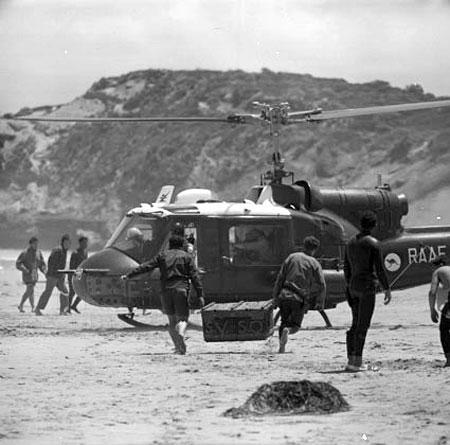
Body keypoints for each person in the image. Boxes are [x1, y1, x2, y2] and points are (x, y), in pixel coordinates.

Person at [121, 235, 205, 354]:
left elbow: (146, 266)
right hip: (181, 289)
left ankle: (178, 347)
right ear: (181, 245)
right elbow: (195, 277)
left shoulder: (162, 255)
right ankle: (181, 333)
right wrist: (200, 294)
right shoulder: (187, 257)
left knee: (171, 321)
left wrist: (129, 275)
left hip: (165, 290)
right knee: (182, 319)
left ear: (170, 245)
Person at [344, 211, 392, 372]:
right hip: (367, 287)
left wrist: (349, 286)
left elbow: (346, 268)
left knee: (354, 324)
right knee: (363, 325)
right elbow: (379, 269)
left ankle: (351, 359)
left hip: (353, 287)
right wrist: (387, 288)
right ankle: (356, 363)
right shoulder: (373, 243)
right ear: (374, 225)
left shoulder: (350, 243)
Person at [272, 236, 326, 353]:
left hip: (284, 294)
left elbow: (280, 278)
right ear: (315, 249)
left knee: (283, 322)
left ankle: (282, 347)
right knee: (295, 326)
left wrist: (275, 297)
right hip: (299, 298)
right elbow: (321, 284)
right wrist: (320, 302)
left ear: (303, 245)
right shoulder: (314, 263)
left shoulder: (292, 257)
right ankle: (289, 331)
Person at [35, 234, 71, 316]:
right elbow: (50, 262)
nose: (68, 244)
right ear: (63, 242)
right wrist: (50, 274)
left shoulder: (64, 250)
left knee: (65, 292)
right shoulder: (57, 250)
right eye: (66, 242)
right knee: (48, 292)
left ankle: (63, 311)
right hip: (53, 276)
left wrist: (62, 274)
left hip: (60, 276)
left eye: (69, 243)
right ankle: (38, 309)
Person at [428, 254, 450, 368]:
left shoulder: (438, 271)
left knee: (444, 328)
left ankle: (449, 359)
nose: (432, 269)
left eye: (432, 266)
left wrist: (432, 310)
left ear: (439, 264)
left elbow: (432, 292)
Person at [15, 236, 47, 313]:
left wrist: (45, 271)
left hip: (35, 275)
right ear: (30, 244)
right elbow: (18, 263)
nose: (36, 245)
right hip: (27, 275)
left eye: (37, 244)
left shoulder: (39, 252)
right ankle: (33, 307)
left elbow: (42, 264)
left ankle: (20, 305)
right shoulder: (24, 253)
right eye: (34, 244)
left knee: (28, 291)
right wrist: (25, 269)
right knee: (31, 290)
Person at [67, 236, 88, 314]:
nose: (85, 244)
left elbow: (86, 263)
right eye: (84, 243)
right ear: (80, 243)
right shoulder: (75, 253)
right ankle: (68, 308)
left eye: (86, 243)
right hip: (74, 274)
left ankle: (74, 305)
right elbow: (72, 266)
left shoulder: (85, 252)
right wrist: (74, 274)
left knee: (83, 292)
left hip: (82, 274)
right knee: (72, 292)